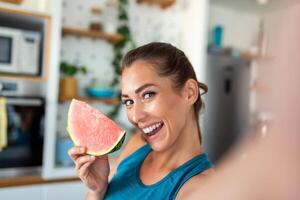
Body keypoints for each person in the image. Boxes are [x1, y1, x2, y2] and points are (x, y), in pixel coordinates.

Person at [68, 42, 215, 200]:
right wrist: (98, 190)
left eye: (148, 94)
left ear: (190, 93)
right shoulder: (138, 145)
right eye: (129, 102)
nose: (135, 117)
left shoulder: (203, 189)